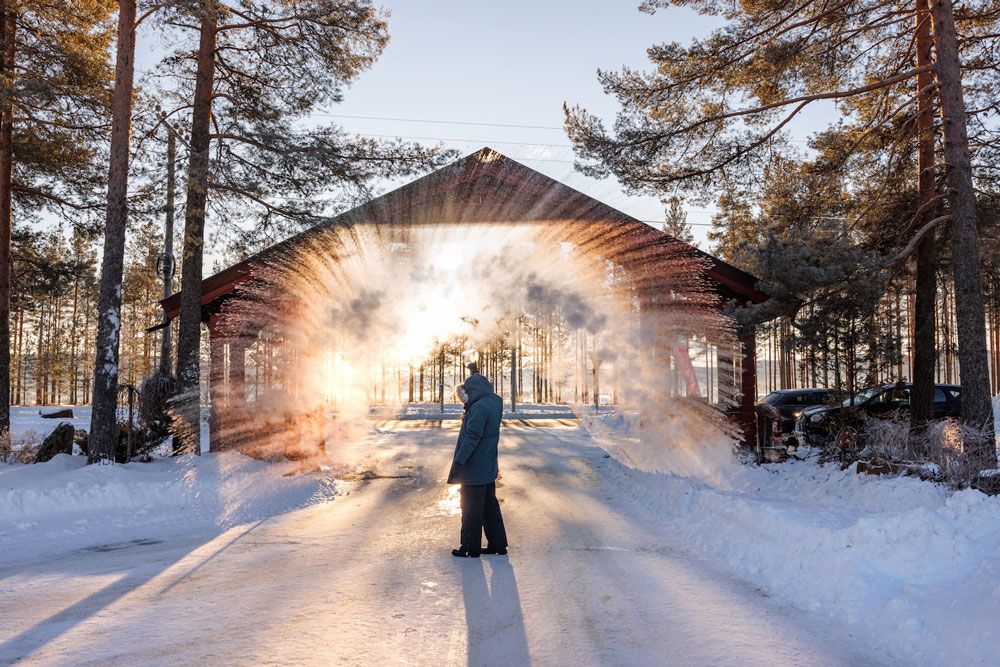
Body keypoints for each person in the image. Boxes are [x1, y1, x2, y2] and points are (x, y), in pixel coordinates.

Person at [448, 372, 508, 558]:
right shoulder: (493, 402)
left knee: (470, 508)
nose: (464, 399)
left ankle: (469, 547)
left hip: (474, 467)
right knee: (490, 507)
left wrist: (459, 462)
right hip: (488, 465)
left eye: (465, 394)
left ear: (473, 391)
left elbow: (472, 438)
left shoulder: (478, 408)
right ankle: (498, 545)